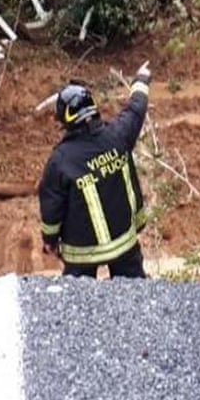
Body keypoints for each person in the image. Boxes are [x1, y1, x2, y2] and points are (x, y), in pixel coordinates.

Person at [38, 65, 151, 278]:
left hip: (81, 254)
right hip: (124, 243)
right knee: (136, 299)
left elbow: (52, 209)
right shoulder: (118, 135)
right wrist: (141, 80)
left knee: (78, 305)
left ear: (65, 119)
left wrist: (49, 241)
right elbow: (136, 108)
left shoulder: (60, 161)